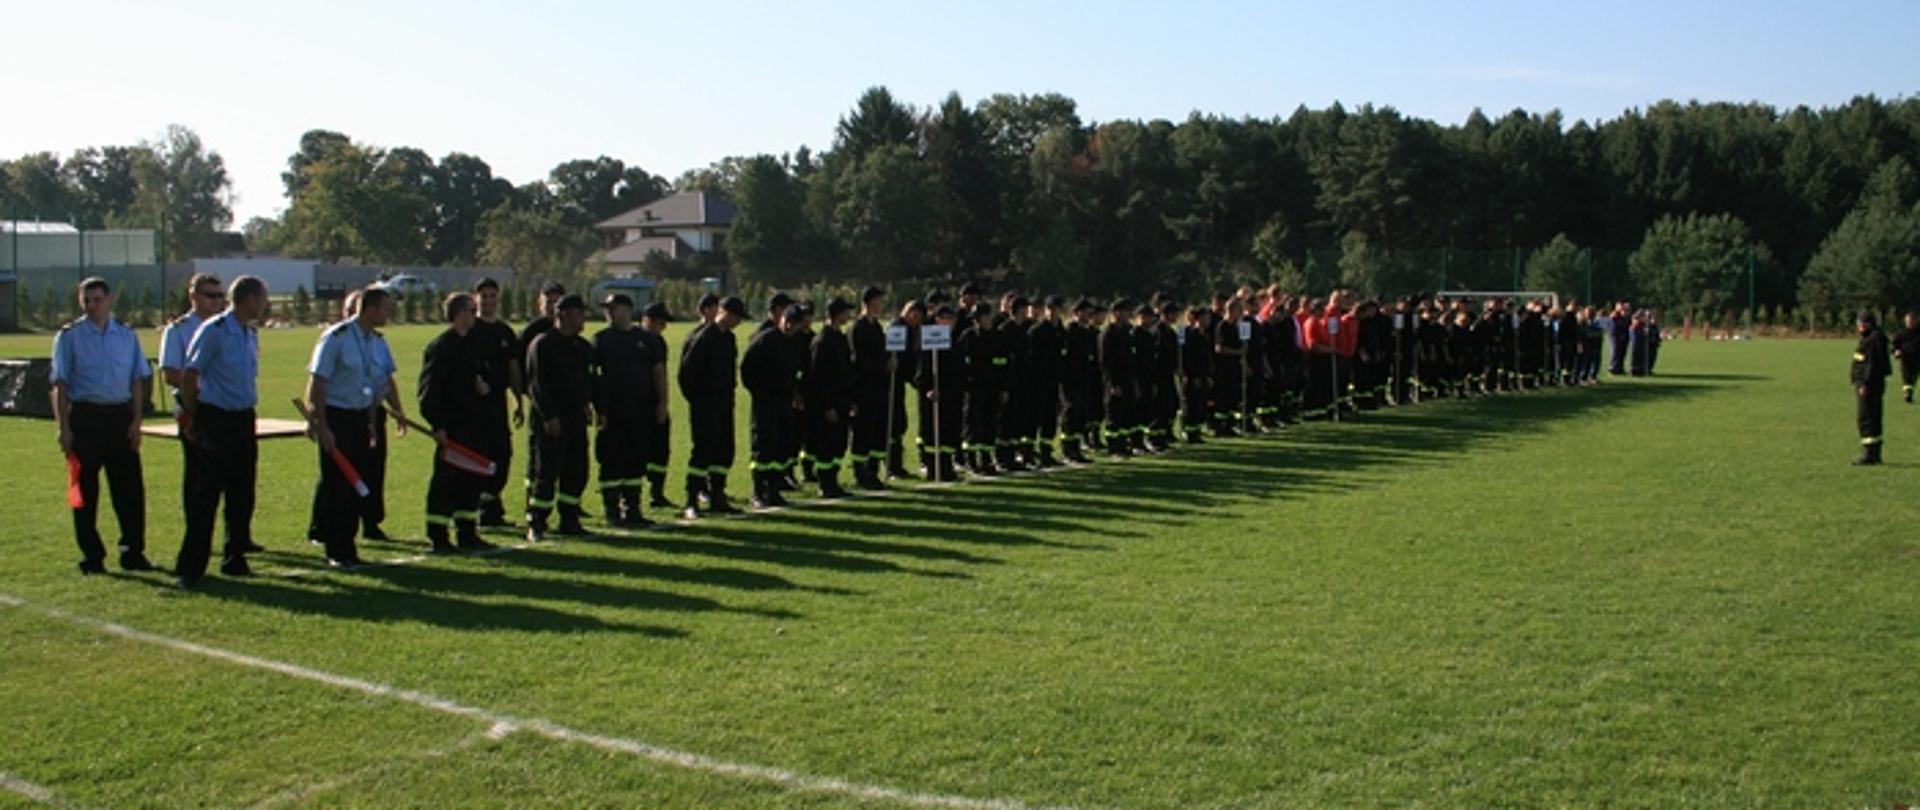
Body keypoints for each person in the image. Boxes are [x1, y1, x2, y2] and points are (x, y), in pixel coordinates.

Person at [49, 277, 152, 576]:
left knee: (130, 490)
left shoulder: (126, 335)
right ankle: (91, 555)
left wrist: (136, 421)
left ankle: (132, 551)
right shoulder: (70, 337)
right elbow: (61, 384)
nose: (92, 305)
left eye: (97, 299)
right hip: (86, 419)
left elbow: (136, 380)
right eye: (87, 300)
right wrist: (64, 427)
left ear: (109, 299)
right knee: (85, 491)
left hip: (119, 418)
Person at [304, 286, 407, 567]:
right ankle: (337, 550)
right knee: (338, 485)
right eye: (385, 308)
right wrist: (320, 425)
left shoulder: (377, 342)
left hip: (363, 418)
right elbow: (317, 385)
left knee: (357, 484)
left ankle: (347, 547)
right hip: (338, 417)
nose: (389, 313)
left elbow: (382, 382)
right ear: (371, 309)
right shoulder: (335, 338)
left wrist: (393, 413)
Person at [176, 275, 269, 586]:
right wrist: (193, 416)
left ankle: (235, 557)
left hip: (243, 418)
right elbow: (191, 376)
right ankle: (191, 567)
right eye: (262, 298)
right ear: (249, 299)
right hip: (216, 419)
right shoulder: (214, 331)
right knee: (206, 497)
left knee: (242, 494)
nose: (265, 304)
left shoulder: (249, 334)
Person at [418, 293, 496, 553]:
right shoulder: (441, 347)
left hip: (475, 424)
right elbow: (428, 392)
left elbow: (482, 375)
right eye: (472, 311)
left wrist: (484, 386)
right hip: (452, 427)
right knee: (447, 482)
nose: (475, 315)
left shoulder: (473, 344)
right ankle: (438, 535)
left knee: (471, 480)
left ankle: (467, 531)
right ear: (459, 313)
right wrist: (437, 425)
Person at [160, 273, 233, 545]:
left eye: (219, 296)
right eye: (210, 295)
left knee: (231, 474)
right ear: (193, 296)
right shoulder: (179, 330)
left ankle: (236, 534)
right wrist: (203, 386)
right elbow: (170, 372)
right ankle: (197, 532)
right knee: (198, 473)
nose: (216, 301)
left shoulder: (227, 328)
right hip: (193, 406)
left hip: (223, 408)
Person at [524, 294, 594, 539]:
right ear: (562, 314)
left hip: (576, 418)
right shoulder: (542, 344)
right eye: (579, 313)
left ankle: (569, 518)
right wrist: (548, 415)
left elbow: (587, 381)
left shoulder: (581, 347)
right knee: (547, 471)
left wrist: (590, 405)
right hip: (551, 419)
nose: (583, 318)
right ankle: (536, 521)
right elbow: (536, 385)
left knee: (577, 470)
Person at [591, 293, 662, 527]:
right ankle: (612, 510)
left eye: (614, 308)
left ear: (628, 311)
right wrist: (597, 408)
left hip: (640, 411)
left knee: (636, 459)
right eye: (607, 309)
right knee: (611, 459)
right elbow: (591, 376)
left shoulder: (646, 339)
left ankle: (632, 508)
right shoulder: (601, 339)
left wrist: (662, 402)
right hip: (611, 413)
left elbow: (658, 372)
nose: (609, 313)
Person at [681, 296, 747, 518]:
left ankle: (718, 494)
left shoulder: (729, 339)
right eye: (736, 317)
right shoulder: (703, 337)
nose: (738, 322)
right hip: (705, 405)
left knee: (724, 450)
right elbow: (686, 375)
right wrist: (699, 401)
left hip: (724, 403)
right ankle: (692, 499)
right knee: (702, 451)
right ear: (724, 312)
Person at [469, 278, 525, 527]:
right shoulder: (471, 329)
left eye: (493, 296)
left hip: (498, 403)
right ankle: (482, 508)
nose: (489, 300)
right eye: (484, 296)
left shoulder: (504, 331)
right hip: (475, 404)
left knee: (503, 452)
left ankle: (491, 501)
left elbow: (513, 367)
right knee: (480, 453)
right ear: (476, 298)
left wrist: (519, 400)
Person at [743, 302, 808, 508]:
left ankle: (773, 489)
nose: (793, 328)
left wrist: (796, 391)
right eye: (790, 323)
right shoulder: (765, 340)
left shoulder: (796, 342)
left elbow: (799, 369)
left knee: (781, 445)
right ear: (783, 321)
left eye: (797, 325)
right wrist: (758, 392)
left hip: (785, 400)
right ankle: (757, 491)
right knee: (763, 445)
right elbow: (747, 369)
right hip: (765, 400)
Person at [807, 298, 857, 499]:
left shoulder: (840, 338)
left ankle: (834, 480)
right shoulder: (823, 340)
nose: (848, 316)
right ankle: (825, 483)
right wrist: (827, 406)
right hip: (829, 402)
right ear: (837, 314)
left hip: (842, 400)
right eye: (846, 312)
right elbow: (819, 377)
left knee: (839, 442)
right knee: (826, 444)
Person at [913, 304, 963, 482]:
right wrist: (927, 388)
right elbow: (921, 369)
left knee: (949, 431)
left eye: (953, 319)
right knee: (933, 430)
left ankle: (947, 465)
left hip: (951, 393)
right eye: (947, 319)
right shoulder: (928, 339)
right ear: (938, 319)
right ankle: (933, 467)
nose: (951, 323)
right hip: (932, 393)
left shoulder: (954, 340)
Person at [848, 287, 891, 489]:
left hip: (879, 387)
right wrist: (882, 365)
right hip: (863, 388)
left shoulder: (876, 327)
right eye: (879, 301)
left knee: (877, 430)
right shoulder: (858, 328)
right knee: (863, 431)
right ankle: (860, 471)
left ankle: (873, 469)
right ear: (869, 303)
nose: (882, 305)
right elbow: (859, 360)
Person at [638, 302, 676, 507]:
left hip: (654, 402)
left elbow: (662, 374)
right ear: (647, 320)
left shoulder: (659, 342)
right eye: (661, 323)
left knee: (660, 449)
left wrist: (662, 403)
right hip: (639, 405)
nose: (664, 327)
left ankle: (657, 492)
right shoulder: (636, 340)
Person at [886, 300, 925, 479]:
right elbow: (897, 356)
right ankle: (892, 464)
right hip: (890, 382)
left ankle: (896, 463)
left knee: (900, 422)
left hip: (900, 381)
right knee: (894, 422)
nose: (918, 322)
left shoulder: (913, 330)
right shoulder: (897, 328)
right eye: (916, 317)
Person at [1028, 296, 1067, 467]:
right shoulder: (1037, 331)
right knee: (1036, 416)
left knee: (1050, 418)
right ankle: (1029, 452)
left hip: (1054, 380)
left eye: (1056, 309)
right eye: (1050, 308)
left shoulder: (1061, 331)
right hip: (1038, 381)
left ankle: (1046, 452)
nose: (1053, 312)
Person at [1059, 299, 1100, 463]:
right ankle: (1067, 448)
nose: (1089, 316)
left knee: (1081, 415)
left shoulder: (1087, 333)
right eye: (1086, 312)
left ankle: (1076, 447)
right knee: (1071, 413)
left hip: (1084, 379)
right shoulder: (1070, 332)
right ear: (1077, 313)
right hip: (1071, 380)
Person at [1853, 311, 1893, 466]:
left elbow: (1872, 364)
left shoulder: (1873, 339)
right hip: (1871, 384)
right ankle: (1873, 453)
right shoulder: (1873, 337)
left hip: (1869, 385)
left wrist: (1865, 383)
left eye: (1861, 323)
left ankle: (1870, 454)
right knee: (1871, 416)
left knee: (1867, 417)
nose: (1859, 327)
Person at [1100, 299, 1139, 457]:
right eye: (1124, 312)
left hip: (1127, 378)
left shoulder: (1126, 332)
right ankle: (1113, 446)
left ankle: (1123, 444)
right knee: (1114, 414)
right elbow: (1105, 361)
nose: (1128, 315)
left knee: (1126, 413)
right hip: (1115, 380)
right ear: (1116, 312)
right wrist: (1111, 383)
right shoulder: (1108, 334)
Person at [1180, 306, 1213, 444]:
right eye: (1205, 317)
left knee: (1200, 405)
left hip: (1204, 375)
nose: (1208, 320)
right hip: (1193, 376)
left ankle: (1196, 431)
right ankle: (1188, 431)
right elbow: (1187, 357)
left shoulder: (1204, 335)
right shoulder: (1188, 334)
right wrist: (1192, 375)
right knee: (1191, 404)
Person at [1893, 311, 1920, 404]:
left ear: (1916, 321)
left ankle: (1909, 391)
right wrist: (1896, 351)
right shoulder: (1901, 333)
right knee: (1907, 377)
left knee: (1913, 377)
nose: (1910, 323)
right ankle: (1907, 394)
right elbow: (1894, 345)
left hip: (1917, 358)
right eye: (1908, 321)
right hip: (1906, 359)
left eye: (1912, 321)